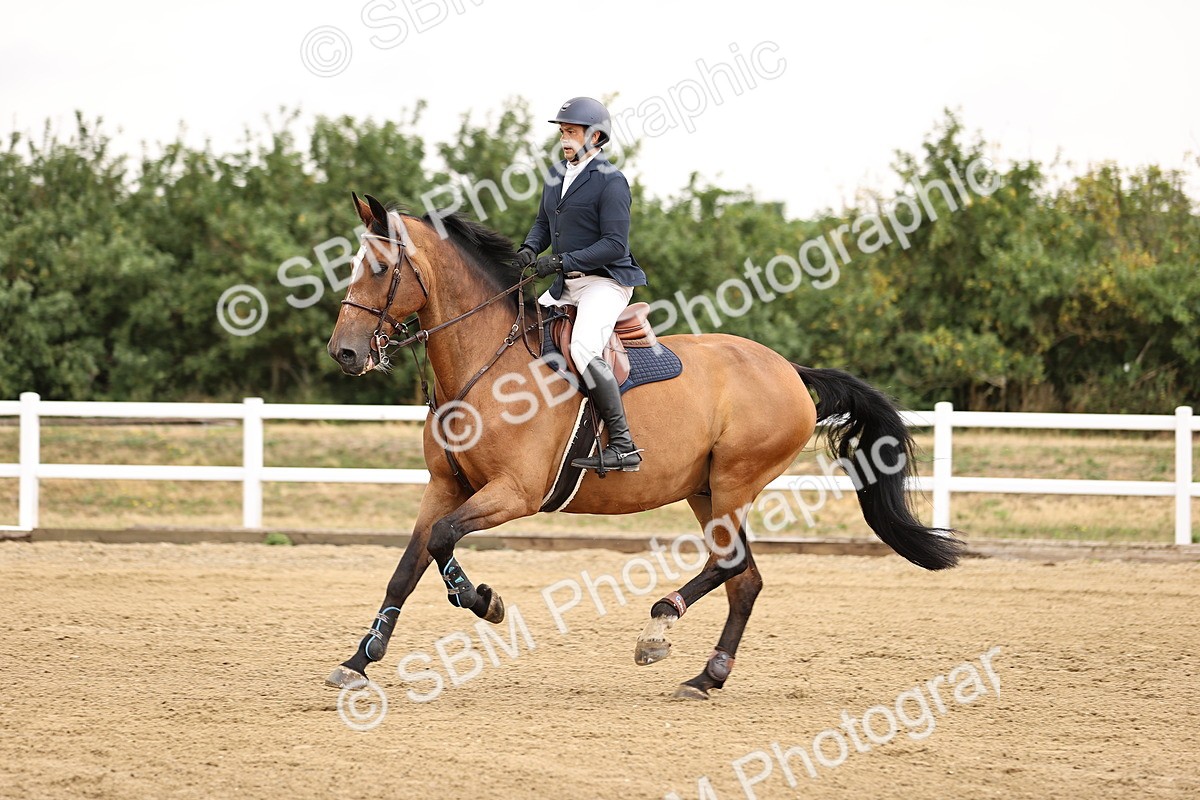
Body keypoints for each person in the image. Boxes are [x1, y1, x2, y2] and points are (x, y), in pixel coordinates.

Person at [514, 96, 647, 473]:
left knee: (584, 347)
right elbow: (543, 225)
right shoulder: (557, 175)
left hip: (606, 282)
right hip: (566, 284)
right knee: (523, 335)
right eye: (562, 132)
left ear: (595, 135)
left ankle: (623, 445)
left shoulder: (612, 181)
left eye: (571, 132)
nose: (564, 139)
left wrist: (558, 260)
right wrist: (528, 250)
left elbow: (613, 245)